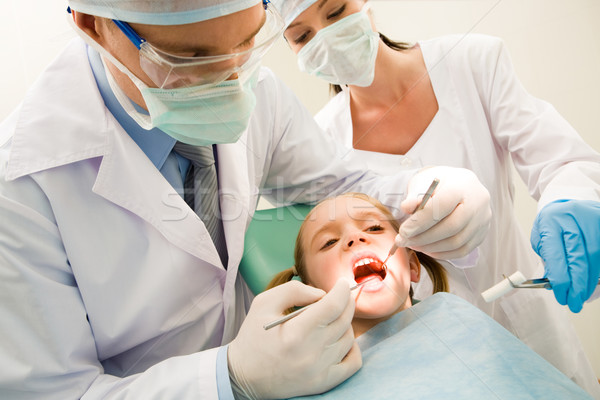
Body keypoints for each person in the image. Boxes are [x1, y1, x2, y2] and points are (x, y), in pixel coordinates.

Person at [0, 0, 494, 399]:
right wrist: (226, 380)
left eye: (247, 43)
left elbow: (341, 185)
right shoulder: (21, 186)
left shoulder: (258, 91)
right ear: (95, 26)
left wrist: (429, 194)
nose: (233, 83)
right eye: (192, 59)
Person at [271, 0, 600, 396]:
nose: (325, 39)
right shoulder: (319, 146)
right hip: (430, 362)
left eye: (336, 11)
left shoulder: (471, 60)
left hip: (534, 327)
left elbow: (560, 159)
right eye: (302, 36)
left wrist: (571, 201)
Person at [266, 193, 593, 399]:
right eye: (328, 242)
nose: (355, 237)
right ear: (309, 292)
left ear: (412, 266)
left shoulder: (456, 318)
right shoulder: (308, 376)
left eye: (375, 228)